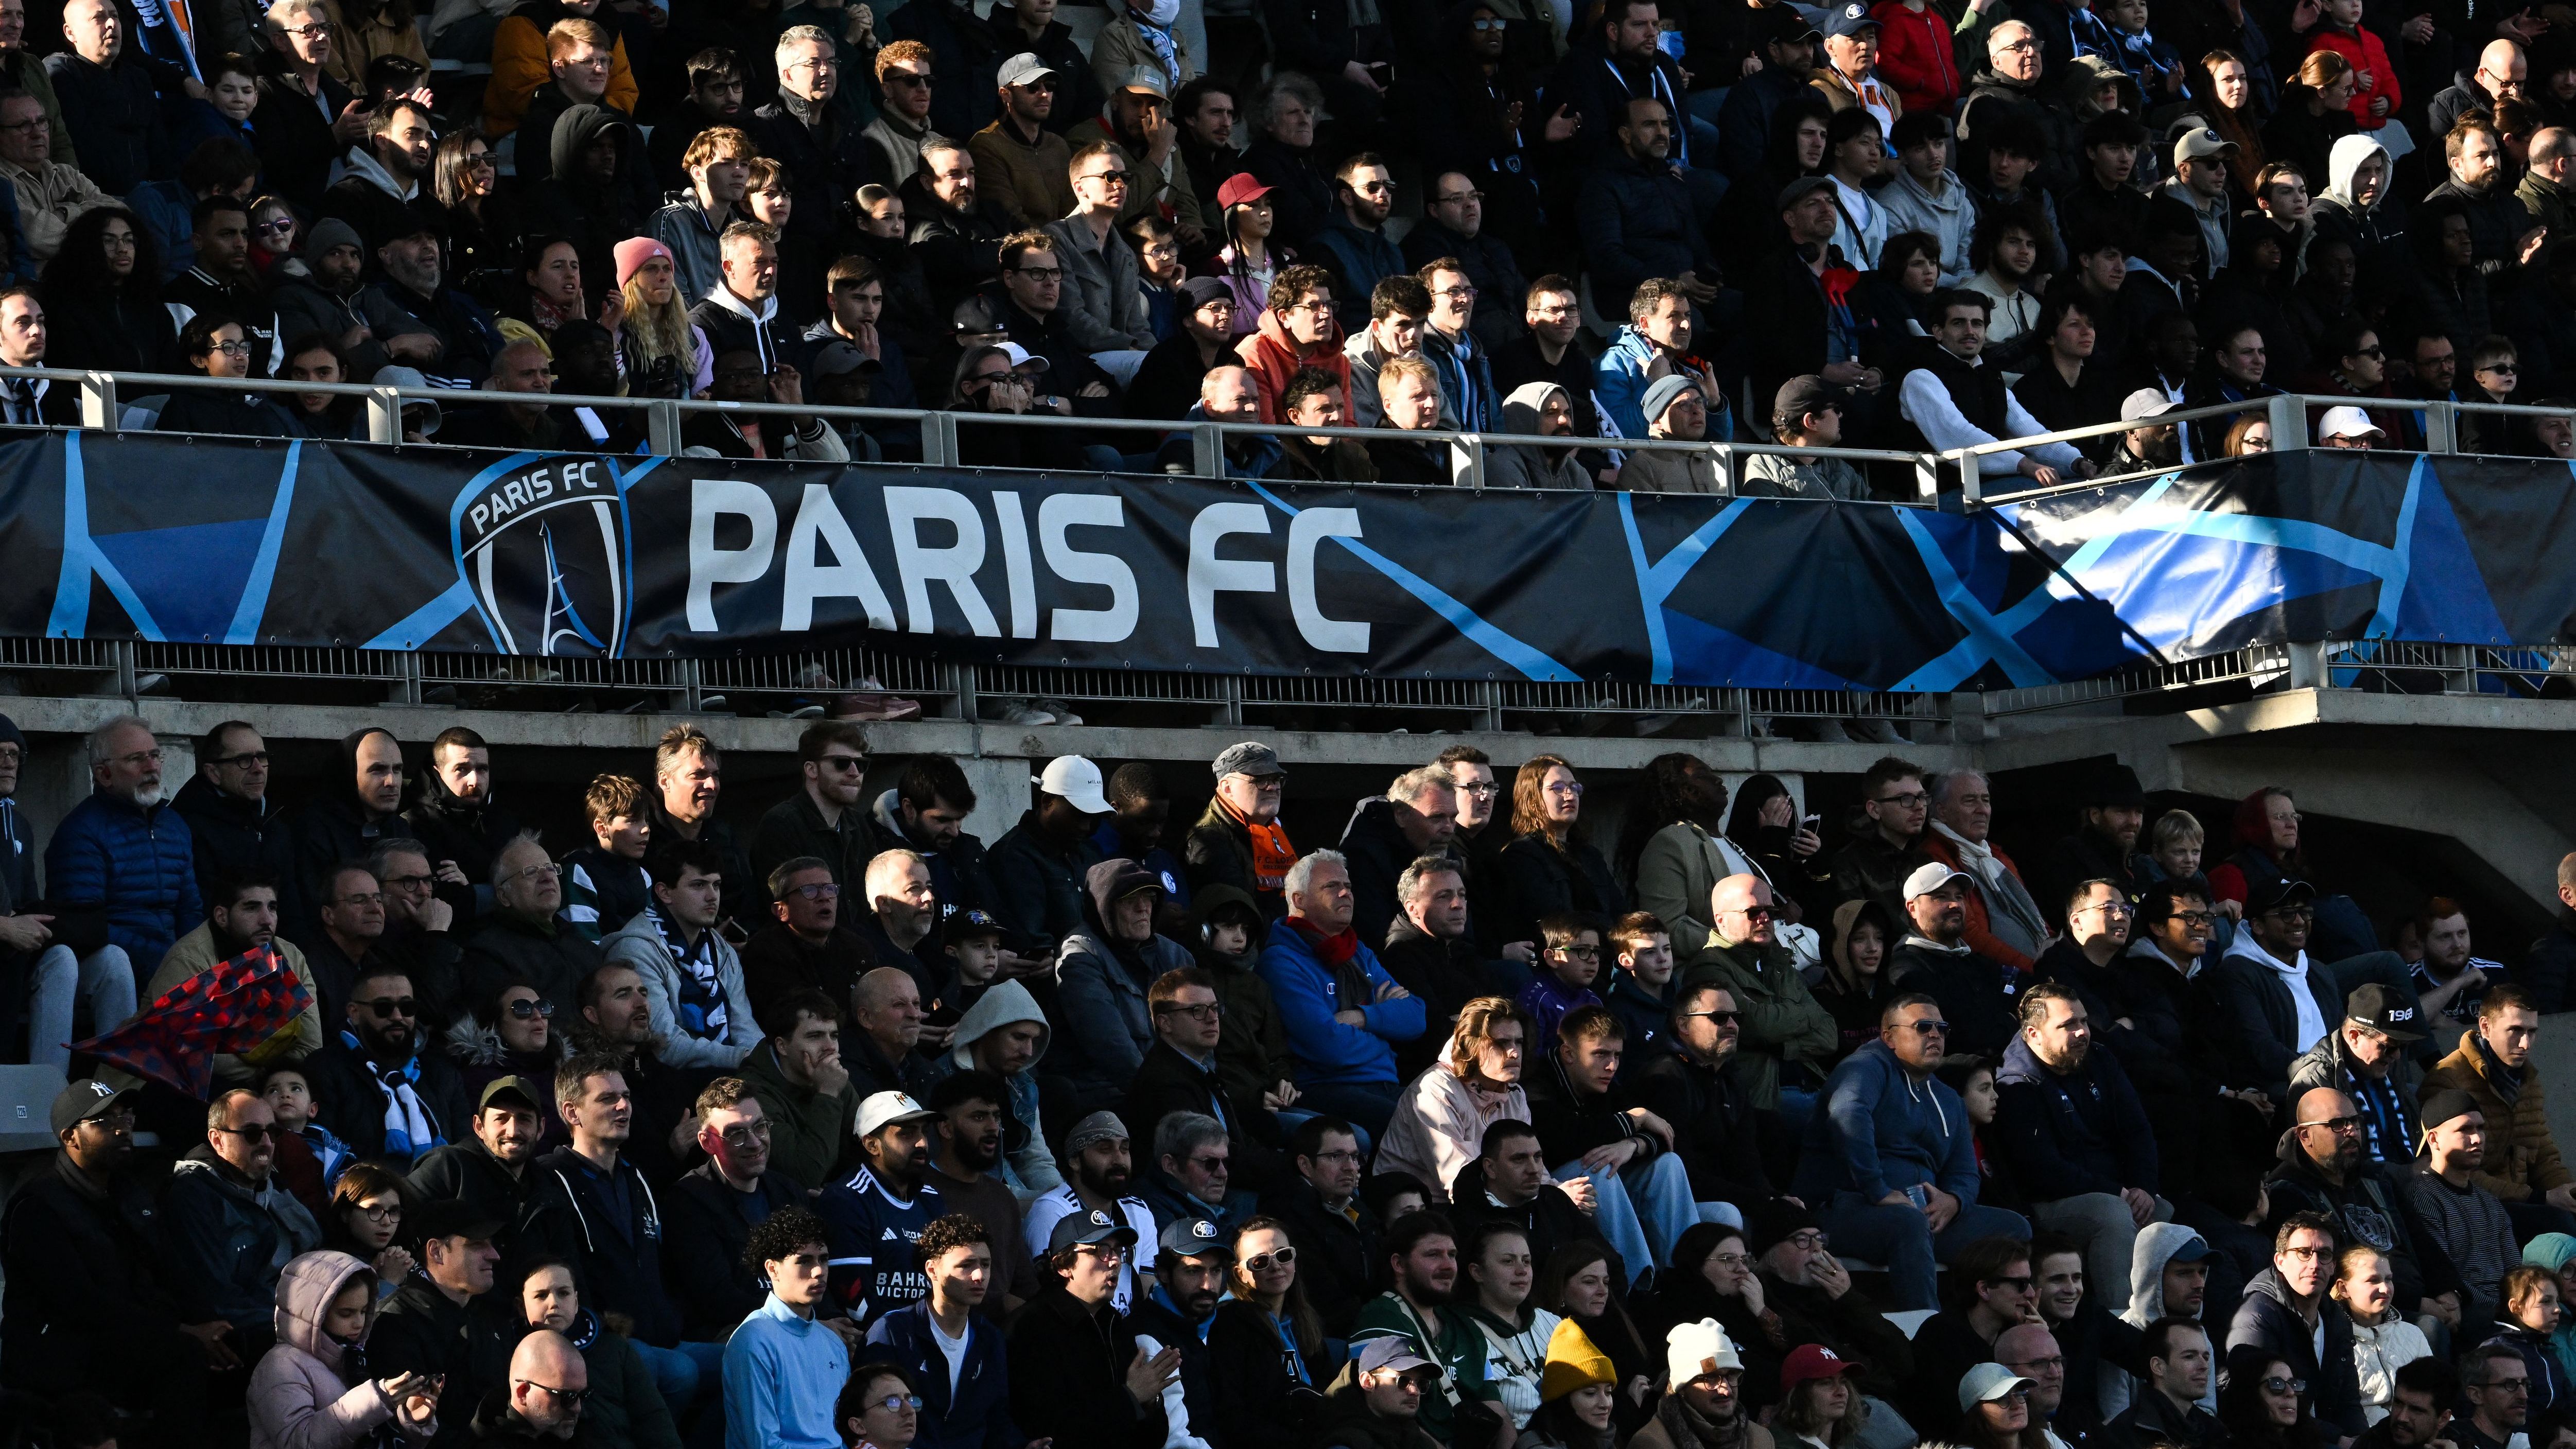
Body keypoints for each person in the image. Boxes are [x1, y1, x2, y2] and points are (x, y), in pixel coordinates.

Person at [1797, 992, 2031, 1311]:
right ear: (1889, 1037)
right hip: (1848, 1206)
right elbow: (1848, 1114)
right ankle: (1926, 1331)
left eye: (1941, 1028)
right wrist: (1878, 1190)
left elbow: (1963, 1171)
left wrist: (1954, 1202)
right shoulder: (1866, 1067)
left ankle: (1994, 1329)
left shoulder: (1948, 1097)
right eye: (1923, 1027)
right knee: (1909, 1224)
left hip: (1922, 1216)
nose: (1935, 1034)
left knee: (2015, 1228)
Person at [519, 1053, 699, 1399]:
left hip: (665, 1337)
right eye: (607, 1098)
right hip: (600, 1343)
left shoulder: (636, 1176)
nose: (623, 1106)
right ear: (572, 1112)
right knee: (680, 1372)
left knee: (738, 1356)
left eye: (627, 1096)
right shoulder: (548, 1179)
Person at [1994, 983, 2166, 1312]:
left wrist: (2143, 1186)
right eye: (2068, 1025)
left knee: (2165, 1215)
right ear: (2033, 1033)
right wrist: (2117, 1192)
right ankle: (2123, 1326)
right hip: (2052, 1201)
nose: (2082, 1033)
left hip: (2115, 1189)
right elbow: (2042, 1170)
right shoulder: (2018, 1085)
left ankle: (2171, 1335)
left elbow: (2137, 1131)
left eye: (2084, 1022)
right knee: (2112, 1215)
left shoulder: (2099, 1058)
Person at [1009, 1206, 1178, 1449]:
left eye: (1119, 1251)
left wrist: (1150, 1403)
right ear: (1063, 1266)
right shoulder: (1030, 1328)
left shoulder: (1115, 1324)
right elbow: (1048, 1432)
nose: (1116, 1261)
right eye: (1102, 1251)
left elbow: (1152, 1439)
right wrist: (1131, 1398)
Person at [2422, 984, 2576, 1238]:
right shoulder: (2449, 1078)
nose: (2525, 1043)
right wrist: (2540, 1198)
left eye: (2532, 1032)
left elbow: (2543, 1155)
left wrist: (2567, 1193)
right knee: (2558, 1223)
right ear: (2485, 1026)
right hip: (2470, 1206)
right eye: (2515, 1030)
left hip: (2526, 1200)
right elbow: (2453, 1170)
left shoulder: (2527, 1080)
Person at [250, 1250, 441, 1449]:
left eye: (364, 1311)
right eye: (346, 1314)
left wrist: (411, 1420)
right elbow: (299, 1443)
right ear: (314, 1313)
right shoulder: (279, 1366)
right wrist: (376, 1401)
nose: (359, 1323)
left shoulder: (354, 1359)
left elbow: (370, 1436)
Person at [1349, 1210, 1508, 1446]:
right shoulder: (1381, 1318)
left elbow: (1499, 1415)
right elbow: (1389, 1418)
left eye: (1452, 1255)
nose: (1448, 1266)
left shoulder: (1465, 1327)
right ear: (1399, 1264)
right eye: (1433, 1255)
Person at [864, 1213, 1016, 1449]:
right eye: (966, 1265)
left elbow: (998, 1419)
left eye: (985, 1265)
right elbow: (872, 1419)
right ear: (932, 1270)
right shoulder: (892, 1332)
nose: (980, 1276)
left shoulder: (990, 1337)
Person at [601, 841, 756, 1070]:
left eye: (717, 885)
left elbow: (745, 1028)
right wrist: (743, 1060)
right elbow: (664, 1043)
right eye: (699, 885)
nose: (712, 896)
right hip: (665, 1081)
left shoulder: (723, 951)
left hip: (730, 1073)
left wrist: (766, 1061)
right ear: (664, 892)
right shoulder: (635, 950)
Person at [720, 1207, 847, 1449]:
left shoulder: (833, 1344)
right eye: (804, 1261)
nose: (819, 1271)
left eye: (824, 1259)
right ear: (772, 1269)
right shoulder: (752, 1339)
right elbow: (763, 1445)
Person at [2227, 1211, 2363, 1435]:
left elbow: (2348, 1398)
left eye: (2324, 1255)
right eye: (2303, 1253)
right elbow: (2259, 1405)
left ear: (2333, 1266)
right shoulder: (2257, 1315)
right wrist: (2338, 1439)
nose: (2315, 1264)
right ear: (2280, 1261)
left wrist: (2361, 1441)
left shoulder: (2336, 1319)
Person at [2397, 1089, 2517, 1328]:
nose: (2478, 1138)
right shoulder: (2423, 1196)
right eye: (2465, 1130)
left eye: (2481, 1128)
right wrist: (2502, 1310)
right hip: (2468, 1312)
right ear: (2434, 1140)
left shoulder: (2490, 1203)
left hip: (2508, 1310)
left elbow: (2515, 1271)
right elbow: (2444, 1273)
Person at [2288, 986, 2424, 1167]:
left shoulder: (2387, 1064)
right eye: (2389, 1046)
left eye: (2404, 1047)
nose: (2397, 1055)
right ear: (2354, 1037)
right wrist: (2403, 1176)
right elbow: (2329, 1164)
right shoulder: (2315, 1080)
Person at [2336, 1244, 2433, 1426]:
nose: (2386, 1289)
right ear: (2344, 1289)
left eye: (2389, 1279)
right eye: (2373, 1280)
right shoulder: (2331, 1337)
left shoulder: (2412, 1334)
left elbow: (2434, 1397)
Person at [2110, 1316, 2223, 1449]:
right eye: (2189, 1356)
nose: (2204, 1366)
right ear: (2158, 1367)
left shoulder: (2217, 1432)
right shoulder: (2122, 1436)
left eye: (2206, 1357)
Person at [2459, 1342, 2534, 1449]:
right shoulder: (2453, 1441)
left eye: (2525, 1384)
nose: (2524, 1396)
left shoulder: (2525, 1444)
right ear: (2476, 1395)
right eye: (2510, 1384)